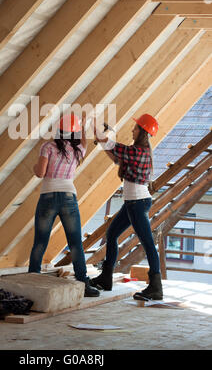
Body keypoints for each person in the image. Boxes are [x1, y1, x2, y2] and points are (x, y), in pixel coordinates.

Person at [90, 114, 163, 301]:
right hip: (132, 202)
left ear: (143, 132)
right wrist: (100, 141)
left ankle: (155, 286)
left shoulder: (139, 152)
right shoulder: (137, 151)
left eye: (136, 127)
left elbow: (115, 147)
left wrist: (96, 131)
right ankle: (106, 278)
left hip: (137, 203)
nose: (132, 130)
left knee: (147, 243)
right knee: (112, 233)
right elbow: (117, 158)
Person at [28, 113, 100, 297]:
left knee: (40, 241)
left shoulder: (48, 147)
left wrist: (35, 167)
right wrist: (83, 125)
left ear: (59, 130)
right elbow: (83, 142)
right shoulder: (77, 150)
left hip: (48, 196)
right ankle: (84, 283)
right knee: (75, 242)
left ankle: (32, 282)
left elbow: (40, 173)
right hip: (69, 196)